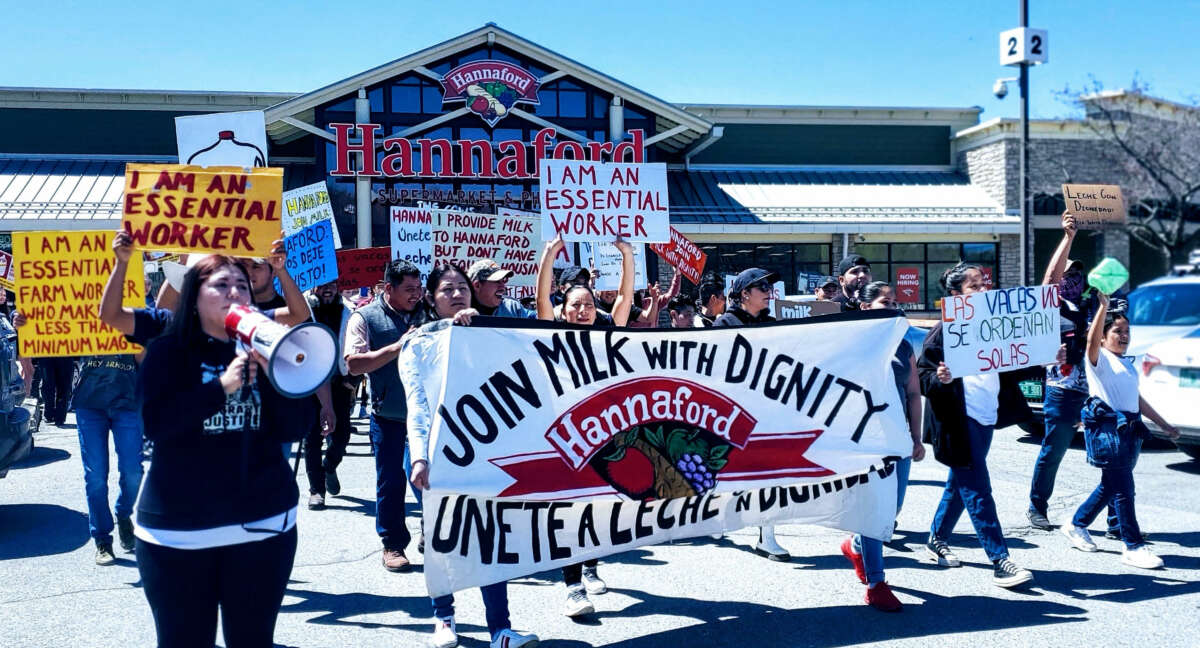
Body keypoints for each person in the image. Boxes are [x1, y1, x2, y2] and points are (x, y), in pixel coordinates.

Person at [135, 256, 314, 647]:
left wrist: (278, 377)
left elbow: (294, 427)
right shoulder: (168, 350)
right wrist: (222, 386)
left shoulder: (265, 347)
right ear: (192, 297)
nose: (235, 291)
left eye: (242, 285)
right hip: (179, 534)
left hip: (263, 525)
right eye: (220, 284)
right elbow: (157, 425)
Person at [403, 263, 540, 648]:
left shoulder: (488, 333)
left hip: (482, 454)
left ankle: (501, 629)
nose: (457, 294)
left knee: (488, 540)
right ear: (431, 298)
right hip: (430, 456)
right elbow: (418, 405)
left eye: (462, 287)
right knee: (441, 538)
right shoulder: (418, 342)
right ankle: (443, 618)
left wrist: (478, 332)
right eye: (446, 289)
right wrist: (419, 457)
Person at [919, 262, 1038, 588]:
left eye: (986, 283)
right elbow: (922, 376)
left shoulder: (994, 328)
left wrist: (1044, 357)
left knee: (960, 483)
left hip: (985, 418)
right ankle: (1000, 559)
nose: (985, 289)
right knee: (978, 488)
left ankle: (936, 538)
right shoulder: (946, 330)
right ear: (956, 295)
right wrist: (941, 378)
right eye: (975, 286)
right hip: (958, 421)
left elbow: (1014, 367)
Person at [537, 234, 633, 616]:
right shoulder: (552, 329)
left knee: (602, 507)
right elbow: (542, 297)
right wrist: (548, 255)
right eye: (575, 305)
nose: (583, 311)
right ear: (564, 309)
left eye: (589, 305)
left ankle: (593, 566)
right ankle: (573, 586)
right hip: (566, 436)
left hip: (606, 432)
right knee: (572, 510)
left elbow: (625, 300)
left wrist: (626, 256)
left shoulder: (606, 328)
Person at [1061, 294, 1179, 568]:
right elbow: (1090, 342)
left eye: (1127, 332)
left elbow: (1136, 400)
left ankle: (1076, 524)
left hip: (1129, 431)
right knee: (1124, 488)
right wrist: (1103, 307)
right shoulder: (1098, 359)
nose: (1124, 336)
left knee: (1110, 486)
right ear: (1103, 337)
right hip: (1109, 432)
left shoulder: (1125, 363)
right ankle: (1133, 545)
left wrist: (1163, 424)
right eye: (1117, 331)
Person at [838, 282, 924, 612]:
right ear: (864, 308)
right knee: (875, 510)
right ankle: (876, 583)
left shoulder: (903, 345)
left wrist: (916, 438)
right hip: (867, 444)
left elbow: (914, 394)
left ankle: (857, 545)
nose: (892, 307)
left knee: (892, 511)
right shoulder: (850, 345)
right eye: (883, 302)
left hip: (898, 440)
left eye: (894, 302)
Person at [345, 259, 427, 572]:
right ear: (388, 288)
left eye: (418, 288)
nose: (415, 294)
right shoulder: (364, 318)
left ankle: (433, 532)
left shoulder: (428, 312)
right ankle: (393, 544)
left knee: (429, 479)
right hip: (388, 415)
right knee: (391, 482)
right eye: (408, 289)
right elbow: (354, 364)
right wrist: (397, 347)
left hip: (427, 416)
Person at [713, 267, 791, 562]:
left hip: (766, 411)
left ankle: (766, 536)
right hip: (732, 412)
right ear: (744, 293)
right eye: (762, 288)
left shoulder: (773, 324)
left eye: (769, 287)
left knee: (768, 474)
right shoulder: (725, 323)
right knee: (727, 472)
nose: (768, 292)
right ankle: (715, 518)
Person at [1028, 211, 1100, 530]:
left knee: (1113, 452)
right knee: (1054, 450)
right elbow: (1049, 281)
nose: (1071, 280)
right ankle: (1037, 506)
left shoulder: (1088, 308)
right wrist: (1067, 238)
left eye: (1076, 276)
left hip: (1092, 391)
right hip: (1061, 390)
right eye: (1068, 274)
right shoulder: (1051, 306)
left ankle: (1117, 519)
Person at [304, 280, 357, 510]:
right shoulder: (303, 309)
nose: (328, 290)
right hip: (309, 382)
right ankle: (316, 490)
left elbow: (358, 346)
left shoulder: (349, 312)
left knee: (343, 434)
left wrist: (352, 380)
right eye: (322, 285)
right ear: (313, 287)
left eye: (332, 285)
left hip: (339, 383)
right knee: (312, 438)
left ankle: (329, 465)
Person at [467, 259, 537, 319]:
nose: (503, 287)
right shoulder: (461, 311)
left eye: (503, 281)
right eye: (496, 281)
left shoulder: (513, 308)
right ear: (477, 286)